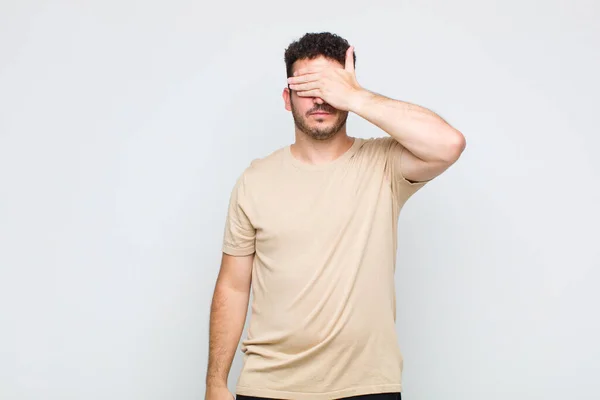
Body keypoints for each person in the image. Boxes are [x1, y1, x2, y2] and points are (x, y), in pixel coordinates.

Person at [205, 32, 466, 400]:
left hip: (366, 386)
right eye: (307, 87)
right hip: (269, 386)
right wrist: (215, 382)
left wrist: (357, 96)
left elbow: (449, 144)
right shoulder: (254, 180)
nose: (319, 98)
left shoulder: (384, 164)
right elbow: (232, 285)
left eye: (329, 87)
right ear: (287, 99)